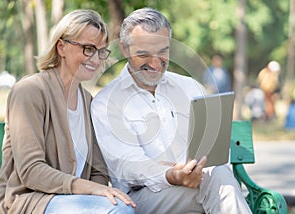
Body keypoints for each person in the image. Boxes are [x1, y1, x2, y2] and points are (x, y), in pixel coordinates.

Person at [91, 7, 251, 213]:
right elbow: (126, 166)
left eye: (163, 51)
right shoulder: (107, 102)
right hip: (143, 198)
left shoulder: (190, 87)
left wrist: (197, 168)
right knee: (218, 182)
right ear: (124, 49)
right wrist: (170, 175)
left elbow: (214, 146)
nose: (155, 63)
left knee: (217, 175)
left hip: (200, 184)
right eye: (144, 54)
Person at [0, 9, 135, 214]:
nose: (96, 59)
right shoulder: (30, 91)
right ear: (61, 46)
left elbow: (98, 170)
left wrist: (97, 189)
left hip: (75, 203)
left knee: (123, 205)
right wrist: (90, 188)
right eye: (88, 48)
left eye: (101, 51)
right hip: (27, 201)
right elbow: (31, 171)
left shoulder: (89, 102)